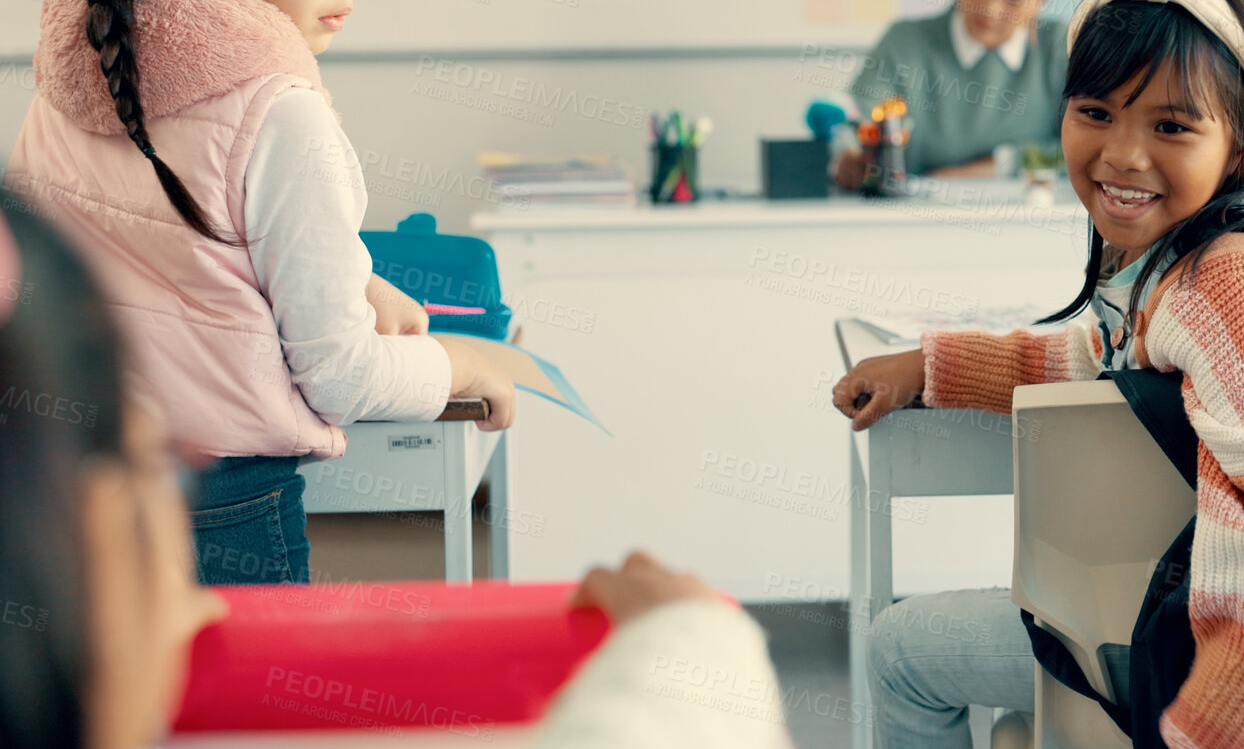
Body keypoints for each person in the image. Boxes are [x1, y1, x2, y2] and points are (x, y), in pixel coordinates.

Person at [0, 195, 789, 748]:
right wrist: (690, 639)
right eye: (155, 466)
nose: (195, 452)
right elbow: (342, 370)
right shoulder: (284, 108)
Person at [831, 0, 1244, 749]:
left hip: (1215, 660)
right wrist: (933, 365)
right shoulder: (1188, 260)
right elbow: (1095, 359)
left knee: (899, 653)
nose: (1121, 154)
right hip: (1171, 614)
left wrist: (1202, 734)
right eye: (1095, 111)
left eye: (1170, 125)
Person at [5, 0, 515, 586]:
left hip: (63, 486)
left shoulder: (81, 67)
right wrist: (465, 363)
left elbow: (170, 256)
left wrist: (358, 280)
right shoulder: (282, 113)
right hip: (220, 504)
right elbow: (343, 377)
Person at [837, 0, 1067, 186]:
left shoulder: (1059, 48)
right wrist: (848, 157)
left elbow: (1087, 150)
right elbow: (854, 127)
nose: (990, 7)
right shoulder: (905, 43)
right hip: (912, 222)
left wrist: (997, 165)